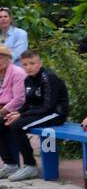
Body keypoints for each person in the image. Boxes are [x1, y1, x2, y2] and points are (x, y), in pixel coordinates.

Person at [1, 50, 69, 181]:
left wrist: (21, 116)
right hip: (40, 112)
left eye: (32, 63)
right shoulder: (28, 80)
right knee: (2, 121)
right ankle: (10, 164)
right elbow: (28, 103)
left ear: (40, 64)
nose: (28, 67)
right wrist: (18, 112)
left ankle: (30, 165)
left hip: (55, 114)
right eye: (25, 64)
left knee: (16, 126)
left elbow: (48, 107)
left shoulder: (49, 78)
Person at [0, 45, 27, 179]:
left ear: (8, 59)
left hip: (16, 109)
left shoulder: (17, 73)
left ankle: (10, 164)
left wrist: (2, 111)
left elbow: (19, 99)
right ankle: (9, 163)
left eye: (1, 57)